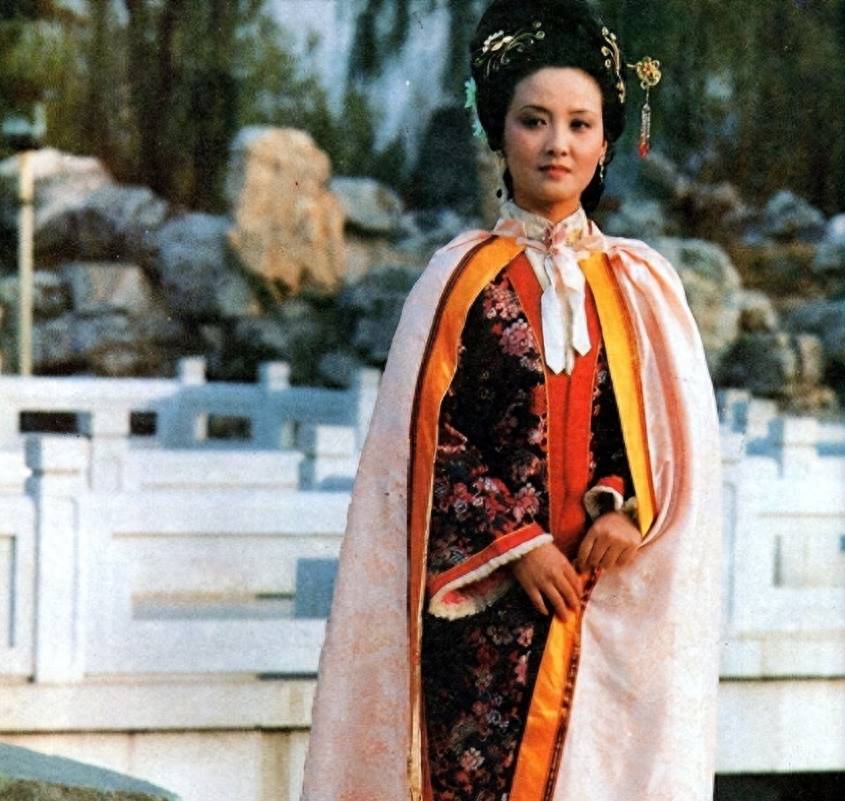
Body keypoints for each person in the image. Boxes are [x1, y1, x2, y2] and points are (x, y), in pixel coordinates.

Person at [300, 1, 722, 800]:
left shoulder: (640, 286)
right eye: (533, 120)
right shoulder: (459, 277)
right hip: (484, 611)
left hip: (598, 596)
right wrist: (515, 543)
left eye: (578, 124)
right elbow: (429, 436)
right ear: (498, 131)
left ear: (605, 142)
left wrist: (623, 508)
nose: (557, 143)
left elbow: (658, 438)